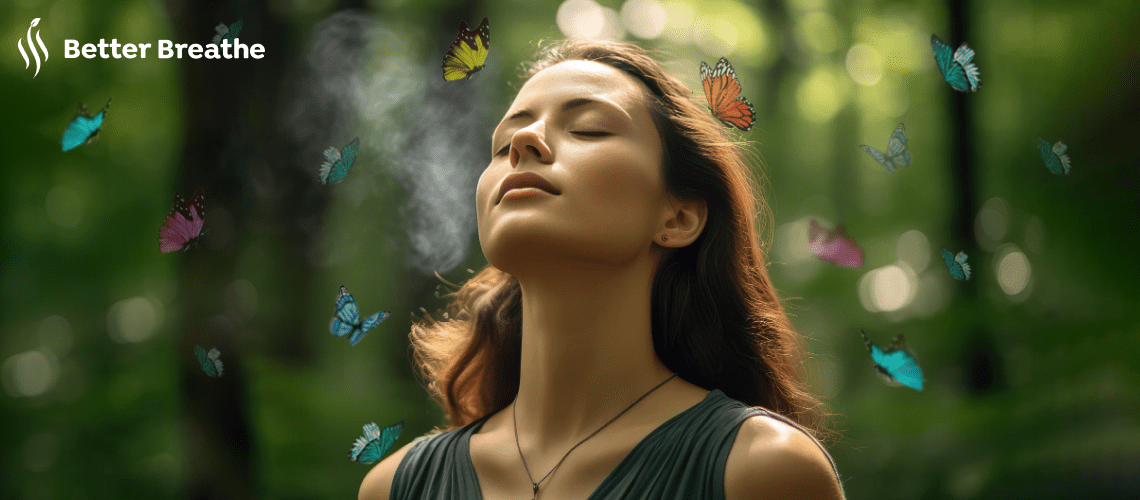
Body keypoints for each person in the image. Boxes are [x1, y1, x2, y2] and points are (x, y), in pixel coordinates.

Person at [360, 38, 845, 500]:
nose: (524, 142)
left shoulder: (763, 471)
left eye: (589, 128)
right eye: (504, 140)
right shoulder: (394, 488)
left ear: (677, 217)